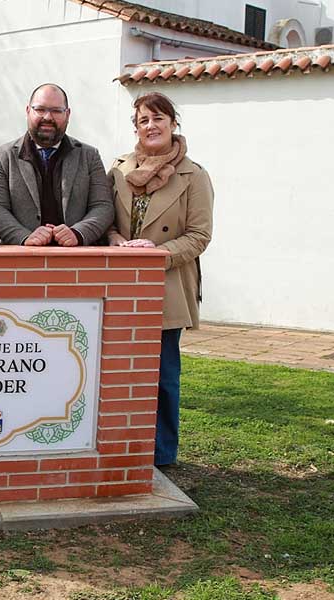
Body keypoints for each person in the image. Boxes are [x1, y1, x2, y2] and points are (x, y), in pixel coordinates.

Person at [106, 93, 213, 469]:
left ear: (173, 124)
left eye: (159, 119)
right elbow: (105, 220)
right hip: (120, 284)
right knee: (117, 372)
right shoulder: (118, 168)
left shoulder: (194, 175)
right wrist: (116, 241)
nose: (151, 126)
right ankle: (119, 445)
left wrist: (156, 251)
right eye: (143, 120)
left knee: (163, 373)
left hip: (165, 283)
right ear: (135, 127)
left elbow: (200, 235)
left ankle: (162, 454)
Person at [0, 83, 113, 246]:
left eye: (56, 111)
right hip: (19, 258)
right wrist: (25, 237)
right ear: (28, 111)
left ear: (67, 114)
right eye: (40, 109)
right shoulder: (2, 157)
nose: (47, 117)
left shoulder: (89, 156)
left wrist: (78, 233)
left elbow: (103, 206)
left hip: (77, 259)